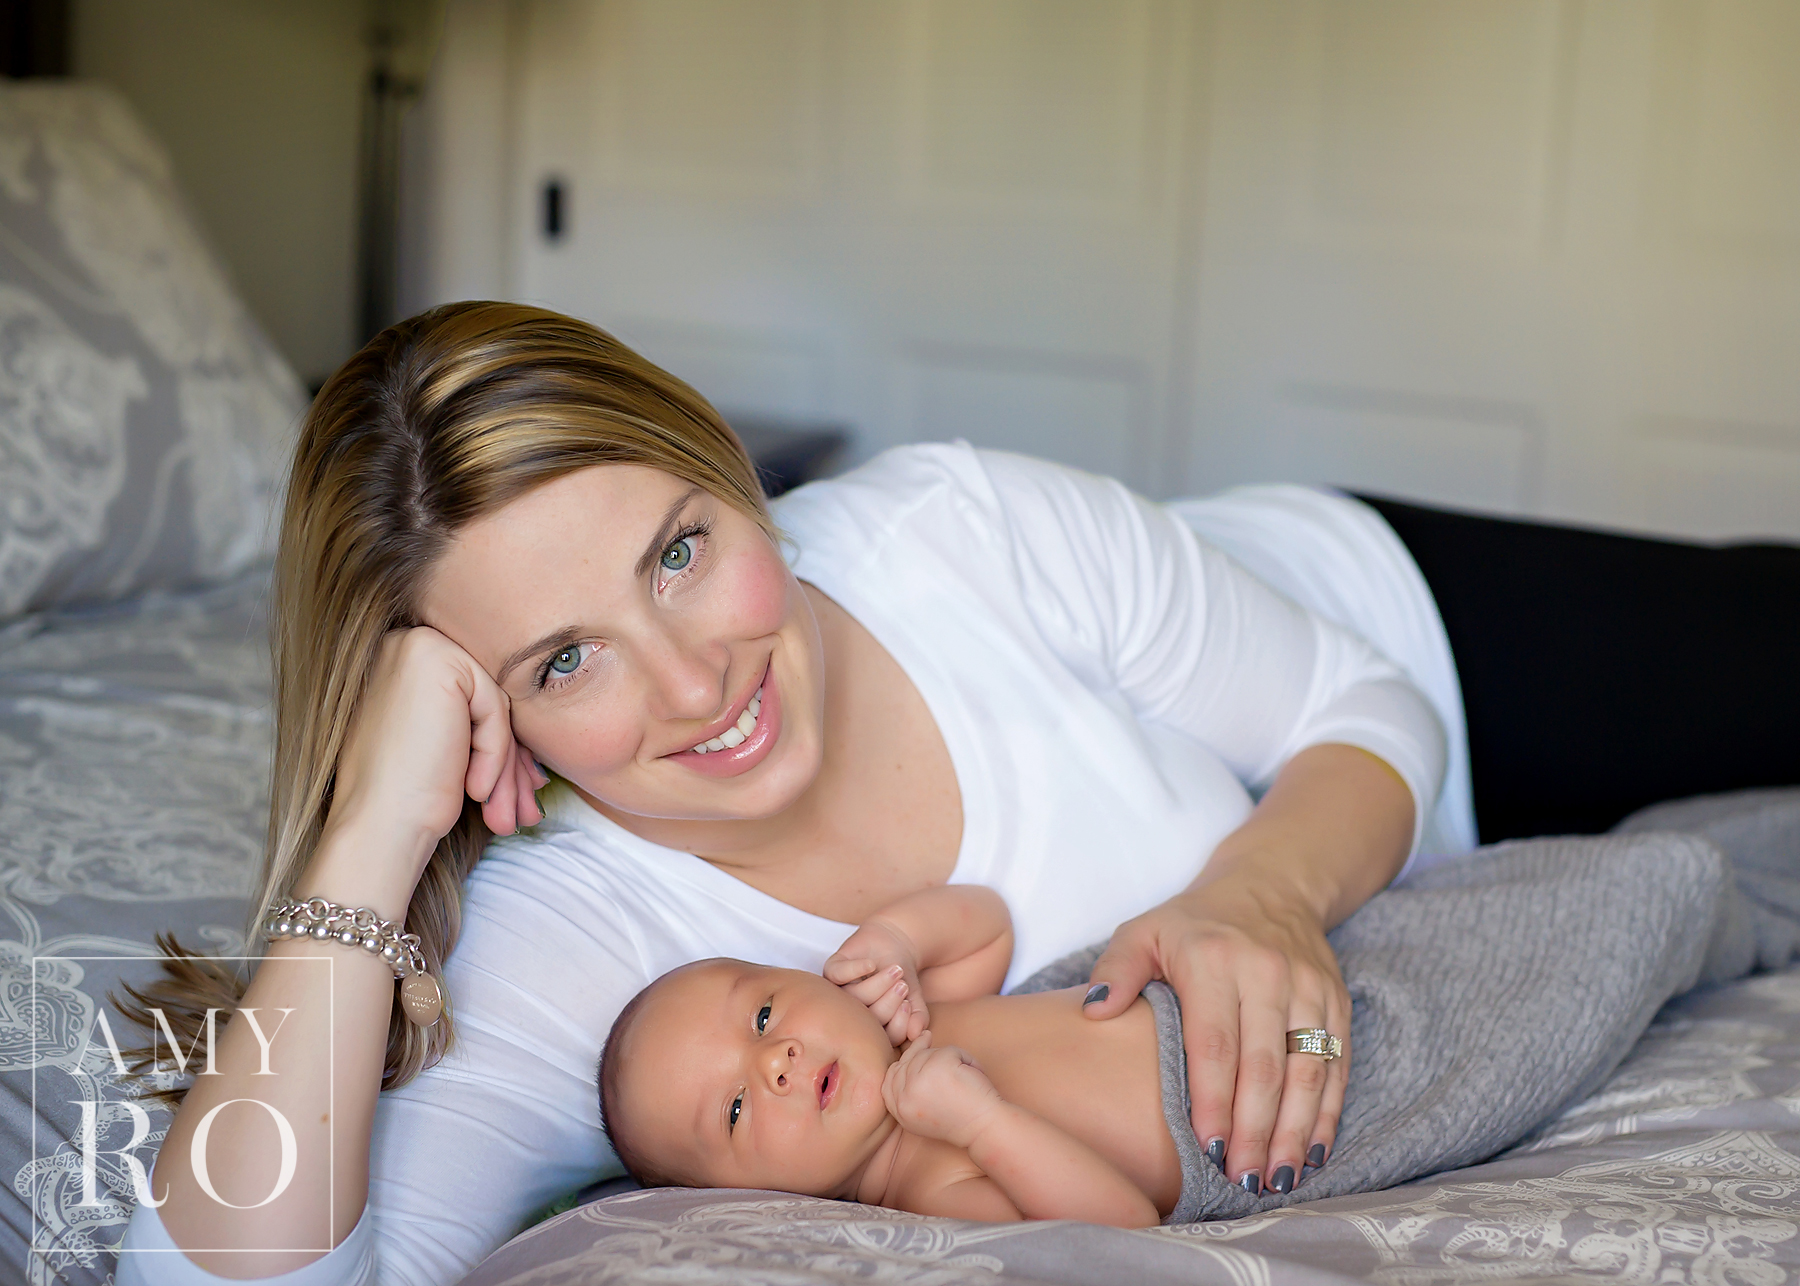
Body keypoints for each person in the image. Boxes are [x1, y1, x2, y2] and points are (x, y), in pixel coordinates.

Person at [115, 301, 1800, 1286]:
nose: (695, 683)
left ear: (722, 466)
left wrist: (1258, 893)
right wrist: (368, 831)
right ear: (489, 718)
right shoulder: (580, 941)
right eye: (565, 662)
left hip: (1414, 640)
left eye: (682, 553)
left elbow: (1352, 707)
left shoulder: (951, 528)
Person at [600, 882, 1327, 1228]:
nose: (775, 1062)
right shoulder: (927, 1188)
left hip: (1242, 990)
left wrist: (898, 943)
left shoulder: (908, 1021)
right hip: (1290, 1106)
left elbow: (987, 926)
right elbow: (1123, 1228)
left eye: (762, 1014)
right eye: (735, 1109)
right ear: (749, 1201)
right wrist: (984, 1124)